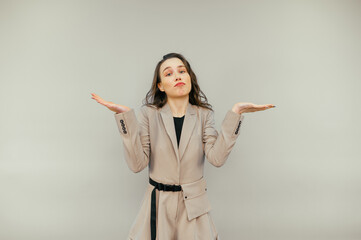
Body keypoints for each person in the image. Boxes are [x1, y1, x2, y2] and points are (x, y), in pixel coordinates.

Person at [91, 52, 275, 240]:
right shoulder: (149, 114)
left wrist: (236, 113)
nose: (177, 76)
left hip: (194, 207)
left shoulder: (204, 114)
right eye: (169, 73)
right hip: (158, 205)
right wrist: (126, 118)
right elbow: (137, 164)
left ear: (189, 78)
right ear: (160, 86)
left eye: (182, 71)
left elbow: (217, 159)